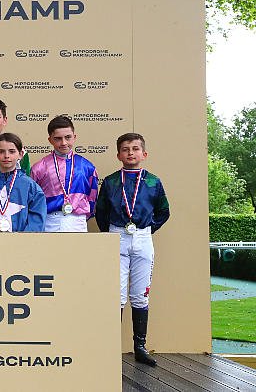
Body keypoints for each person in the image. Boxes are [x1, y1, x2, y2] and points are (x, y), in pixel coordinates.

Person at [95, 133, 170, 366]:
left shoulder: (153, 182)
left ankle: (140, 347)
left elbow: (164, 211)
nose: (130, 153)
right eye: (125, 149)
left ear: (144, 154)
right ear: (118, 154)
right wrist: (111, 233)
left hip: (143, 238)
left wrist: (146, 229)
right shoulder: (110, 182)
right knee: (116, 295)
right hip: (117, 236)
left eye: (135, 149)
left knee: (140, 293)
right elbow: (101, 212)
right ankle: (110, 348)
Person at [31, 115, 98, 232]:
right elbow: (32, 200)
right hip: (50, 221)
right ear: (50, 140)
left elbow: (92, 198)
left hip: (78, 221)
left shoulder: (87, 167)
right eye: (58, 138)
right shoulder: (39, 168)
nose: (63, 142)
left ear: (74, 137)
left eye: (68, 137)